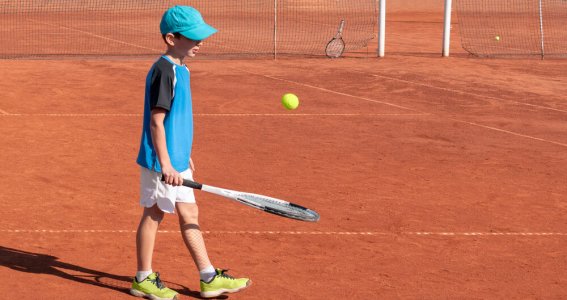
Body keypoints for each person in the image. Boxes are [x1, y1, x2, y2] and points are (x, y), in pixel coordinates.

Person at [130, 6, 251, 300]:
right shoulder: (164, 70)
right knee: (155, 213)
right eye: (193, 38)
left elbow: (177, 119)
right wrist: (167, 163)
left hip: (177, 159)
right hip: (162, 162)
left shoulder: (182, 68)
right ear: (171, 38)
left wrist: (184, 154)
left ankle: (208, 277)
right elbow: (156, 122)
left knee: (190, 212)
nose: (200, 43)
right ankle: (143, 278)